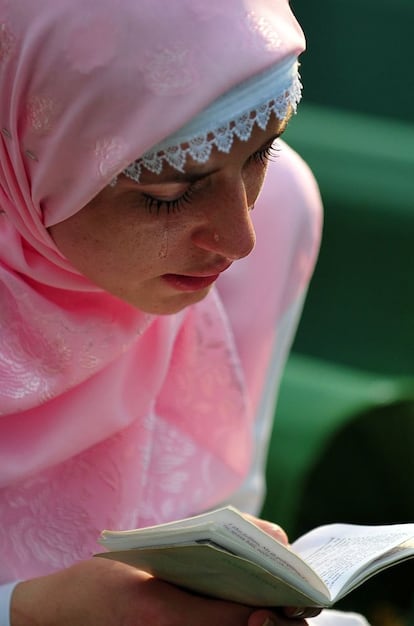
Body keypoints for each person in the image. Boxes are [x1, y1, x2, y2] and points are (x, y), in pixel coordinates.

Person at [0, 1, 369, 624]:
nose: (238, 239)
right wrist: (29, 610)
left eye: (261, 152)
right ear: (24, 155)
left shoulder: (277, 213)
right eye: (167, 195)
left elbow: (228, 498)